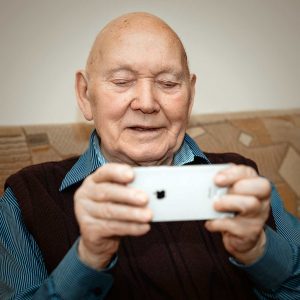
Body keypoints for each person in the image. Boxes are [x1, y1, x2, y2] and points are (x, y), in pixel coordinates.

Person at [0, 12, 299, 300]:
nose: (146, 103)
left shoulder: (242, 181)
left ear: (190, 95)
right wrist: (88, 258)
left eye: (168, 83)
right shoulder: (26, 198)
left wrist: (259, 249)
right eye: (122, 81)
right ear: (84, 94)